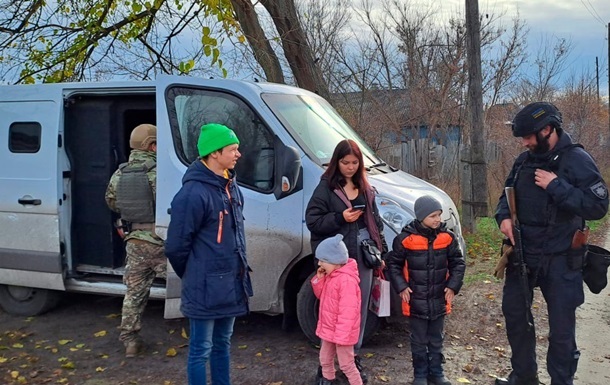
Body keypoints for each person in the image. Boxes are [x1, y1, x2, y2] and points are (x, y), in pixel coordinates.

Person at [494, 102, 609, 385]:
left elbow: (598, 206)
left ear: (547, 130)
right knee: (516, 317)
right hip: (523, 253)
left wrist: (556, 185)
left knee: (561, 329)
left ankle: (561, 380)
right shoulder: (523, 160)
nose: (525, 142)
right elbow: (505, 195)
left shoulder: (577, 160)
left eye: (529, 136)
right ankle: (524, 377)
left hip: (560, 257)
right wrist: (504, 218)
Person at [165, 123, 253, 385]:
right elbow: (176, 246)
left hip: (230, 282)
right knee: (200, 349)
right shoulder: (192, 194)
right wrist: (195, 272)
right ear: (214, 153)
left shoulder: (230, 186)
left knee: (222, 343)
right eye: (233, 149)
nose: (238, 154)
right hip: (204, 286)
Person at [306, 139, 388, 384]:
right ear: (336, 162)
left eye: (354, 163)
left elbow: (376, 222)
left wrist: (380, 253)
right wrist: (340, 217)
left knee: (358, 310)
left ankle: (351, 356)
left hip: (362, 255)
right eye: (345, 162)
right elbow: (313, 221)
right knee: (332, 310)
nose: (350, 167)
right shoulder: (325, 188)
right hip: (336, 259)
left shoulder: (365, 186)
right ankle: (327, 365)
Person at [386, 195, 465, 385]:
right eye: (433, 216)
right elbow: (393, 265)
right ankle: (420, 374)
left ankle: (437, 373)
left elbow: (458, 263)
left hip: (439, 298)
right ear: (421, 217)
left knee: (437, 338)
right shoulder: (406, 239)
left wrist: (453, 286)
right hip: (416, 300)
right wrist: (401, 286)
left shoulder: (447, 238)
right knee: (419, 339)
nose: (438, 219)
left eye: (439, 215)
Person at [105, 123, 167, 358]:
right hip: (160, 240)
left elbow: (111, 201)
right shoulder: (159, 172)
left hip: (134, 242)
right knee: (187, 284)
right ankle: (200, 332)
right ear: (151, 145)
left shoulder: (120, 173)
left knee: (134, 292)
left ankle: (130, 341)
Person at [311, 234, 363, 385]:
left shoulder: (346, 281)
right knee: (325, 359)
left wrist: (342, 334)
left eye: (323, 260)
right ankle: (328, 381)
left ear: (335, 261)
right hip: (329, 329)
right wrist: (319, 279)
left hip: (342, 333)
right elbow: (322, 295)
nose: (319, 264)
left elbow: (349, 311)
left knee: (347, 364)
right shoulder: (331, 276)